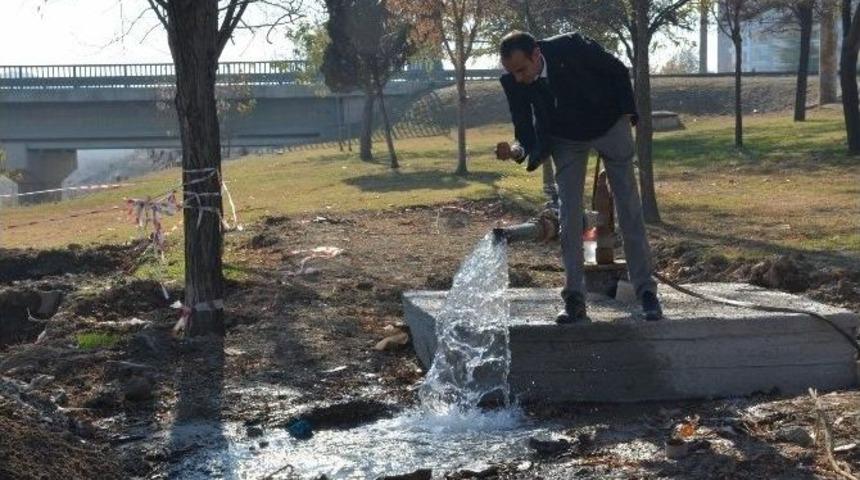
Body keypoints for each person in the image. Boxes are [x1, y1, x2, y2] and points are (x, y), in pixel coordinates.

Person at [494, 31, 663, 323]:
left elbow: (618, 71)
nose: (519, 78)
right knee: (569, 214)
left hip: (608, 123)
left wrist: (629, 116)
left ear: (536, 54)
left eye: (522, 69)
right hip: (566, 137)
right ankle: (574, 299)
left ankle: (646, 293)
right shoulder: (513, 81)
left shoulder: (573, 46)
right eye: (512, 72)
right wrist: (515, 150)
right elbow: (524, 133)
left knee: (628, 207)